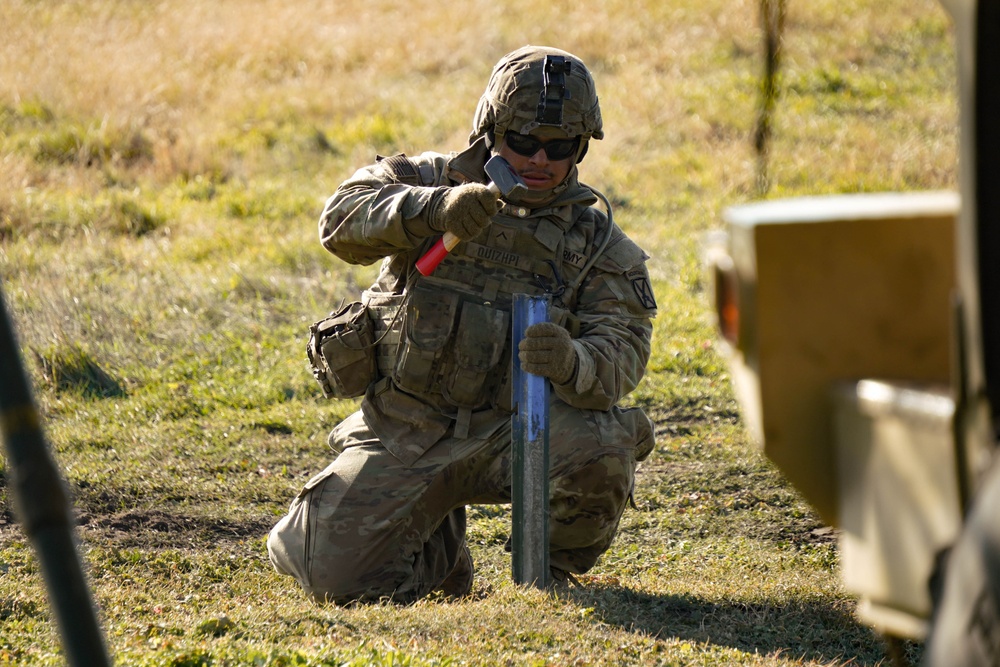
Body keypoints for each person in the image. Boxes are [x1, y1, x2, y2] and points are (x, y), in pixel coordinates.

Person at [267, 45, 658, 604]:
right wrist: (432, 209)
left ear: (581, 148)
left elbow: (625, 348)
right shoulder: (423, 177)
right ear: (490, 130)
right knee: (335, 581)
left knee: (606, 445)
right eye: (523, 141)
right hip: (408, 430)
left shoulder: (596, 243)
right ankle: (436, 546)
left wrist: (574, 361)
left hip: (519, 434)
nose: (539, 159)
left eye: (559, 147)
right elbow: (340, 219)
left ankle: (552, 570)